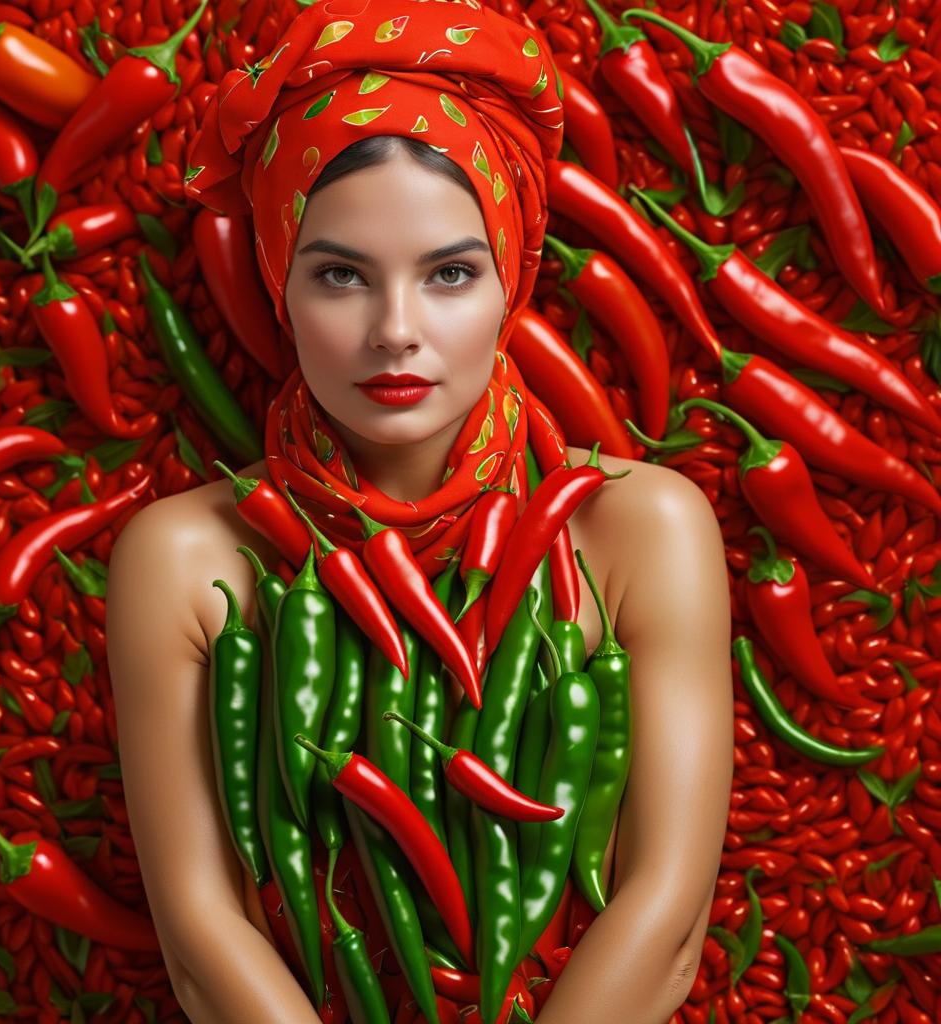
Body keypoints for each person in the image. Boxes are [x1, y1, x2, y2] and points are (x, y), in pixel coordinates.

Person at [105, 1, 734, 1021]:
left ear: (510, 282)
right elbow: (202, 932)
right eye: (340, 275)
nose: (395, 331)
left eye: (449, 272)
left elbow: (664, 916)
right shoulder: (184, 559)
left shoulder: (637, 528)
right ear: (277, 282)